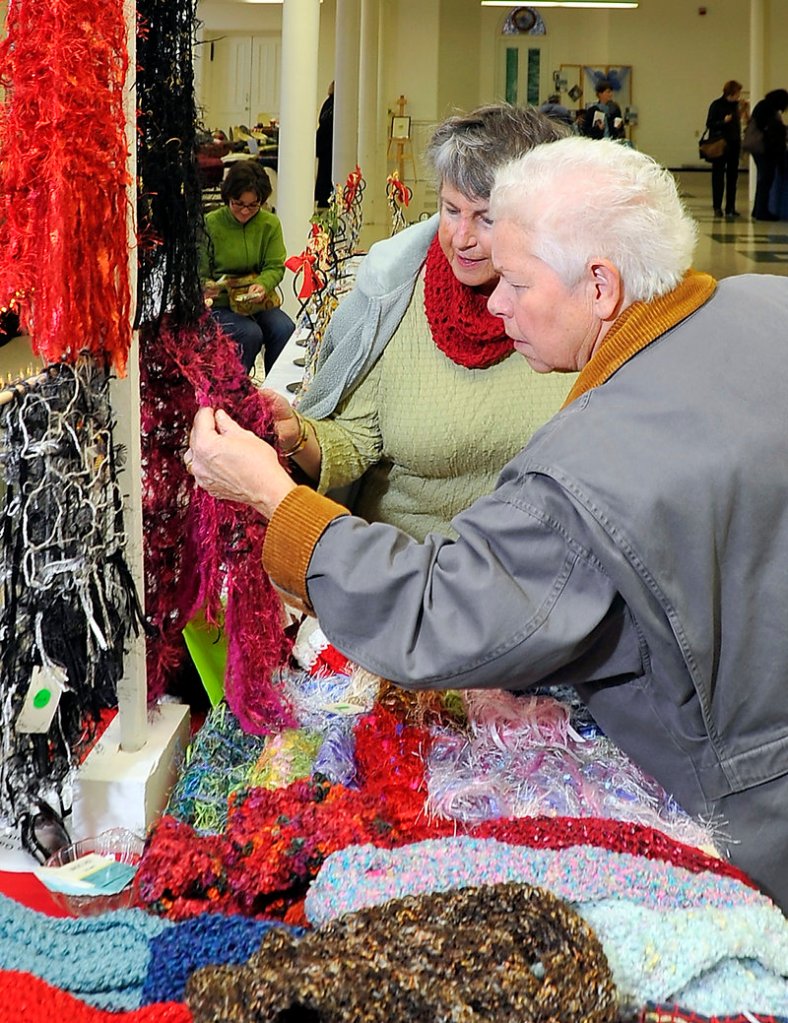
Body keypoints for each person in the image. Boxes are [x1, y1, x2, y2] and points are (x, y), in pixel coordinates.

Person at [187, 137, 788, 911]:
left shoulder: (592, 463)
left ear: (600, 285)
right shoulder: (765, 301)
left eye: (515, 280)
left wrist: (274, 496)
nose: (496, 303)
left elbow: (434, 610)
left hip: (756, 799)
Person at [263, 104, 573, 543]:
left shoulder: (574, 315)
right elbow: (354, 441)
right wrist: (296, 436)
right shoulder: (400, 298)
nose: (461, 237)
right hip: (405, 563)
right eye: (451, 210)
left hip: (534, 567)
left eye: (486, 218)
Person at [199, 160, 294, 374]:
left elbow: (275, 265)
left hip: (257, 301)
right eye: (238, 203)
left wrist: (262, 284)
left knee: (284, 329)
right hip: (221, 304)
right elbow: (200, 270)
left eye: (253, 205)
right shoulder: (210, 223)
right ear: (228, 198)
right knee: (249, 334)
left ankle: (273, 392)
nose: (245, 211)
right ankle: (235, 393)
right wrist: (207, 286)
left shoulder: (269, 224)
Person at [748, 88, 788, 221]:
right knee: (766, 180)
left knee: (762, 180)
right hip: (765, 150)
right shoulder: (769, 110)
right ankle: (761, 211)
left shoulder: (762, 106)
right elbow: (773, 130)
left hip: (758, 149)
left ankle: (758, 210)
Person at [705, 79, 743, 218]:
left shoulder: (736, 106)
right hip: (720, 145)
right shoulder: (717, 105)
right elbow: (710, 123)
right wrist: (723, 122)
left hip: (734, 144)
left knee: (733, 177)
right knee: (718, 177)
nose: (739, 95)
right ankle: (717, 207)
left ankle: (730, 207)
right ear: (731, 92)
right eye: (737, 92)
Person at [314, 80, 335, 209]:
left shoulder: (328, 102)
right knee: (326, 171)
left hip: (324, 140)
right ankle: (325, 197)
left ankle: (323, 197)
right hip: (328, 141)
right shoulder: (333, 103)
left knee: (324, 171)